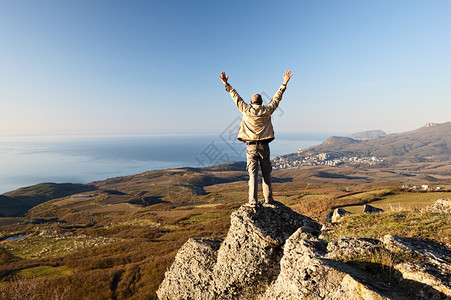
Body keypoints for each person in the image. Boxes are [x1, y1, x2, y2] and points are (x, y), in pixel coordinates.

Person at [219, 70, 293, 206]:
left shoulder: (246, 110)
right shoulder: (267, 110)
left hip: (251, 146)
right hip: (264, 146)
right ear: (261, 101)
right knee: (266, 174)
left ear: (251, 102)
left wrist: (226, 84)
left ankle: (253, 201)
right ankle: (268, 199)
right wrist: (284, 83)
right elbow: (277, 98)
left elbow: (235, 97)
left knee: (252, 175)